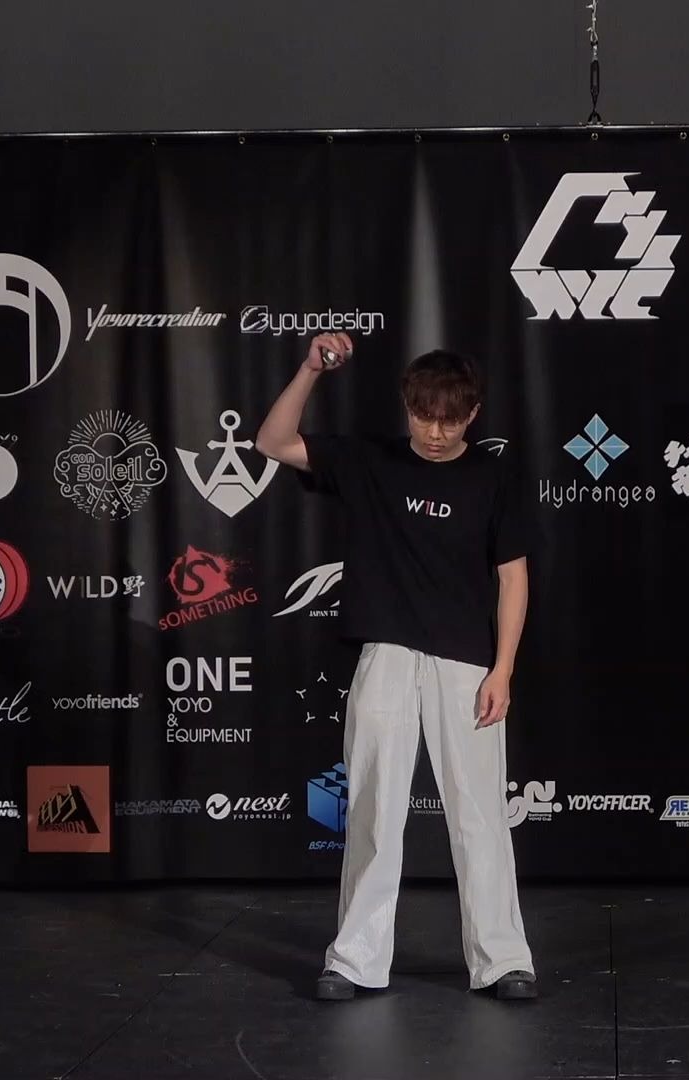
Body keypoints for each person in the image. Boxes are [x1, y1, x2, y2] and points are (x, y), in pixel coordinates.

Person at [255, 331, 539, 1002]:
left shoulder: (493, 476)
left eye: (449, 420)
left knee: (480, 816)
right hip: (385, 654)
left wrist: (503, 669)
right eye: (423, 416)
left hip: (467, 663)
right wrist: (309, 369)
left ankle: (502, 960)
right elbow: (271, 442)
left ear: (472, 415)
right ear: (407, 408)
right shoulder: (370, 461)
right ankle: (354, 960)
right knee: (373, 811)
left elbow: (513, 577)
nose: (435, 433)